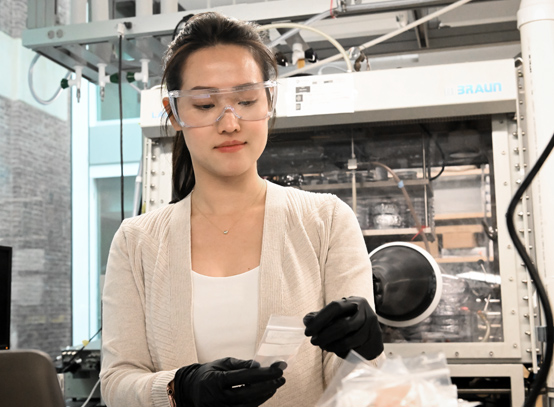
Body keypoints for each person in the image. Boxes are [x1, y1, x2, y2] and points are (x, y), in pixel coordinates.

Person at [100, 11, 384, 407]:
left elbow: (359, 386)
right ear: (175, 113)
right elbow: (115, 383)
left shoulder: (327, 221)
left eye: (246, 100)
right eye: (204, 104)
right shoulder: (137, 242)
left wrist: (363, 352)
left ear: (269, 101)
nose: (230, 122)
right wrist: (178, 389)